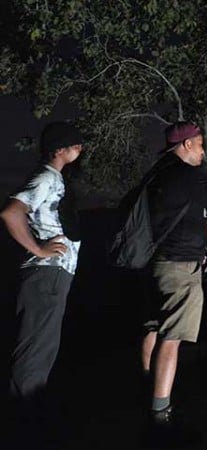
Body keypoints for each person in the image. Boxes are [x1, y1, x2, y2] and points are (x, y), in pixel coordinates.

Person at [139, 121, 207, 434]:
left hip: (155, 262)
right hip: (179, 266)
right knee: (171, 339)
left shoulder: (159, 173)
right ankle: (161, 412)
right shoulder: (187, 174)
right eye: (200, 144)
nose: (202, 151)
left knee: (153, 326)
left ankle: (148, 384)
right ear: (186, 144)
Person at [1, 122, 83, 409]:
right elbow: (12, 212)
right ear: (58, 149)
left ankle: (27, 415)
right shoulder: (46, 177)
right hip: (46, 274)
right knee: (35, 351)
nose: (80, 149)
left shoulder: (55, 178)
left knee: (42, 348)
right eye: (75, 145)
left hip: (53, 276)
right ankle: (23, 421)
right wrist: (38, 249)